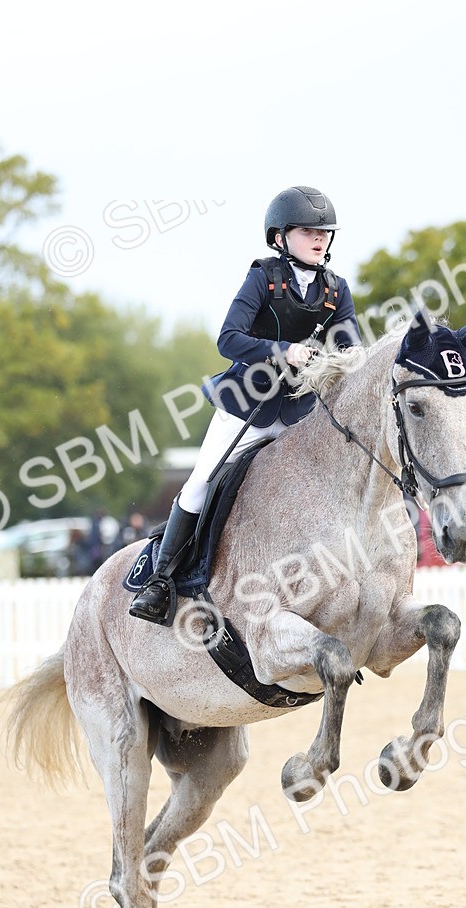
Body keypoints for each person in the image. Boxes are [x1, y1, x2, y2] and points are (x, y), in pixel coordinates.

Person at [130, 186, 362, 623]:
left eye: (325, 232)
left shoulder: (336, 290)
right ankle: (161, 582)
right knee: (201, 482)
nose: (319, 239)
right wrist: (284, 351)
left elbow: (351, 349)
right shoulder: (263, 278)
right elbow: (228, 338)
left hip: (301, 412)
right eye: (308, 231)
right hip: (246, 406)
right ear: (280, 236)